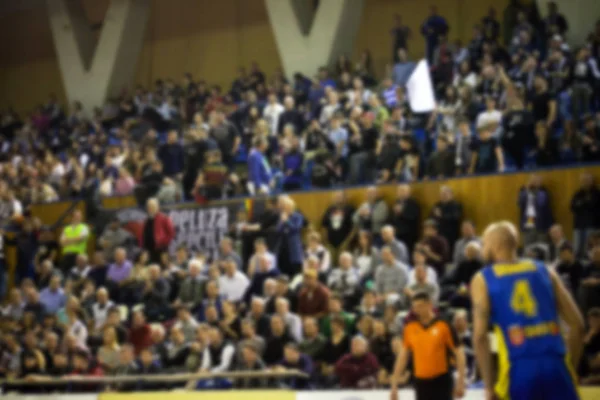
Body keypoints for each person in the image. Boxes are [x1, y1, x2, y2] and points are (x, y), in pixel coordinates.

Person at [470, 221, 584, 400]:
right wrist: (571, 367)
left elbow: (479, 337)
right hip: (556, 364)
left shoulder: (483, 278)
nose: (483, 247)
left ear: (496, 244)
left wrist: (489, 387)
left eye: (485, 242)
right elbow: (578, 325)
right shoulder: (545, 270)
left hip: (518, 369)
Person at [390, 291, 466, 400]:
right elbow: (403, 357)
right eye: (415, 307)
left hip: (441, 380)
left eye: (420, 306)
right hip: (421, 382)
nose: (417, 310)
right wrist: (394, 385)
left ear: (430, 304)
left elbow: (459, 353)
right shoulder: (410, 328)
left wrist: (461, 381)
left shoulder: (443, 325)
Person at [140, 198, 175, 263]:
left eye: (153, 206)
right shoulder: (146, 220)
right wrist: (142, 246)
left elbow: (171, 233)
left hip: (160, 249)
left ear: (157, 207)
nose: (150, 208)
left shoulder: (164, 218)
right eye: (149, 206)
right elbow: (143, 234)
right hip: (148, 250)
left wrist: (163, 242)